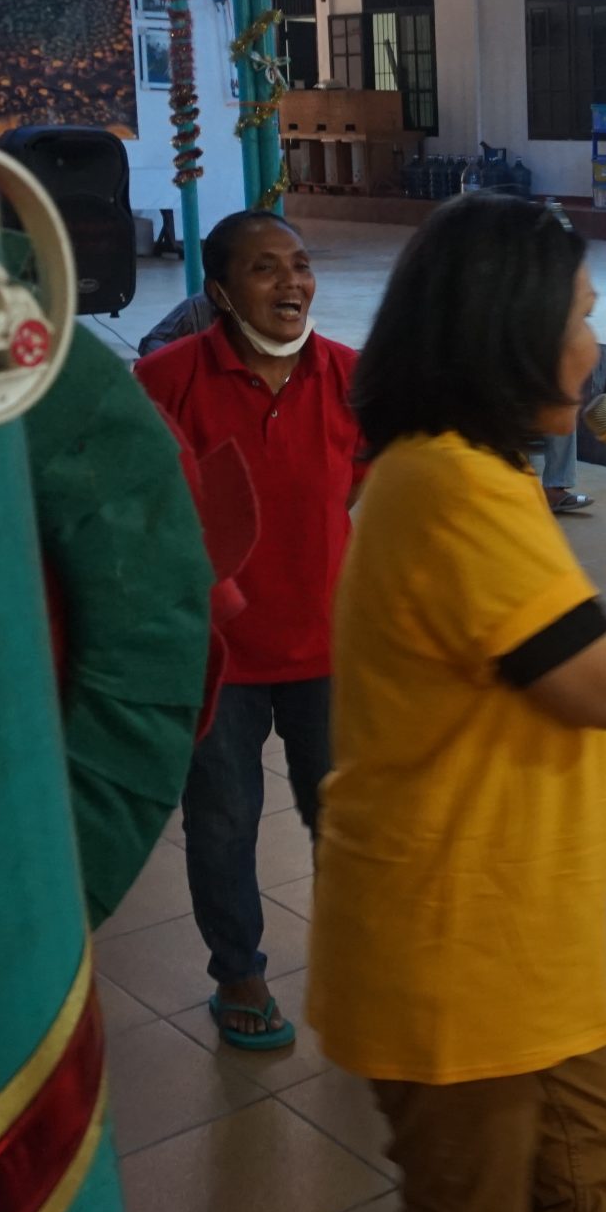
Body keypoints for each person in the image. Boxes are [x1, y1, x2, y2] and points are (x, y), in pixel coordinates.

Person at [300, 194, 606, 1212]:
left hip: (521, 927)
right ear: (507, 329)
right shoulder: (448, 487)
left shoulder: (481, 473)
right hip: (453, 934)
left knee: (581, 1169)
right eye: (579, 315)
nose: (593, 347)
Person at [134, 210, 360, 1050]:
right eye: (265, 268)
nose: (291, 282)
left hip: (325, 647)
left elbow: (360, 479)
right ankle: (238, 972)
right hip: (218, 657)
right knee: (223, 820)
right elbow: (138, 503)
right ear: (221, 292)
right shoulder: (164, 380)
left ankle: (356, 957)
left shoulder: (349, 377)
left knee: (343, 815)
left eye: (299, 264)